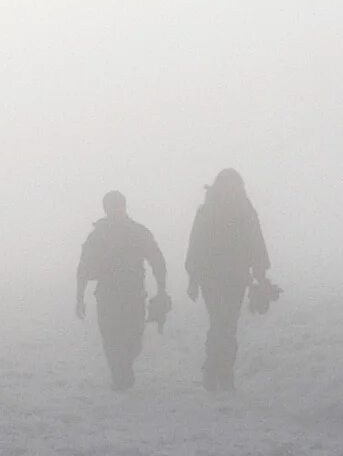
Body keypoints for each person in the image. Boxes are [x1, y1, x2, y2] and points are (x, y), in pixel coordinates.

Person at [183, 168, 270, 393]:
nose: (232, 189)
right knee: (221, 323)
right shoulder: (208, 212)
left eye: (235, 185)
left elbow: (256, 242)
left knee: (226, 325)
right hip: (211, 279)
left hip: (236, 278)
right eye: (228, 184)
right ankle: (220, 372)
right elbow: (196, 245)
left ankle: (219, 371)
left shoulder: (245, 211)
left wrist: (260, 274)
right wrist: (193, 278)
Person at [75, 191, 168, 390]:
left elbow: (156, 260)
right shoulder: (98, 235)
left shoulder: (138, 232)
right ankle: (120, 375)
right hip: (107, 295)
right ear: (105, 209)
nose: (114, 211)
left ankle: (123, 368)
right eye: (110, 207)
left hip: (133, 294)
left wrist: (161, 289)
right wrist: (79, 296)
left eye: (117, 206)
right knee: (111, 337)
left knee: (134, 339)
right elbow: (83, 266)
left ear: (124, 207)